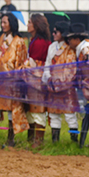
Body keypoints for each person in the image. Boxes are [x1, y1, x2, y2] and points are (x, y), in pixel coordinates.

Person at [0, 13, 28, 147]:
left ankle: (10, 141)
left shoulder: (19, 41)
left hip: (12, 83)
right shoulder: (2, 38)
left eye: (5, 22)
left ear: (12, 23)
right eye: (2, 22)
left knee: (11, 110)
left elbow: (21, 62)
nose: (2, 25)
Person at [65, 24, 89, 148]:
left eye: (70, 39)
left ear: (77, 39)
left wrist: (87, 86)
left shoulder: (85, 50)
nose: (68, 41)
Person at [43, 22, 79, 143]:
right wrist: (49, 78)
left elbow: (71, 69)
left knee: (70, 115)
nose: (53, 34)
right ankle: (55, 141)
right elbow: (47, 64)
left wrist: (60, 82)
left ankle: (74, 141)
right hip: (52, 85)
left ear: (63, 33)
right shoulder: (52, 46)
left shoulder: (70, 49)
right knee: (53, 114)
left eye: (56, 32)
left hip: (66, 87)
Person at [23, 13, 52, 146]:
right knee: (31, 109)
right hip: (32, 79)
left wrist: (26, 65)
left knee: (37, 110)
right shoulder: (35, 40)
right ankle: (32, 139)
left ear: (36, 25)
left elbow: (36, 63)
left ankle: (38, 141)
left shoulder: (40, 43)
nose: (28, 25)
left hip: (37, 80)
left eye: (30, 22)